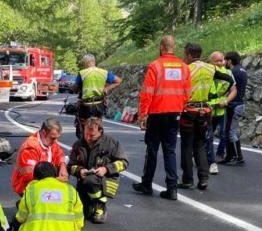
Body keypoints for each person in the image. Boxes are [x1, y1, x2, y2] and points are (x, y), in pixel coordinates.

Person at [132, 35, 191, 201]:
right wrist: (179, 107)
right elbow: (188, 93)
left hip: (157, 114)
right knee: (170, 150)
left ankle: (147, 184)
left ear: (161, 47)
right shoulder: (184, 67)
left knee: (152, 149)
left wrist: (143, 115)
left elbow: (147, 93)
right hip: (174, 115)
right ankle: (172, 189)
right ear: (174, 47)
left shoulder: (155, 66)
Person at [179, 42, 234, 191]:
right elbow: (228, 80)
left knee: (187, 146)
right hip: (205, 111)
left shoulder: (186, 69)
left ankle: (187, 179)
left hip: (189, 110)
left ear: (189, 54)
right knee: (200, 145)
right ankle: (203, 178)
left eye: (185, 54)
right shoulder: (211, 68)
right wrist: (216, 94)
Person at [15, 162, 84, 231]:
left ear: (35, 176)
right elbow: (79, 219)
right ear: (55, 174)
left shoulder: (30, 190)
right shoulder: (70, 189)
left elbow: (20, 218)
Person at [69, 117, 128, 223]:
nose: (88, 138)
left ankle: (100, 205)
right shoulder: (78, 145)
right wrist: (79, 171)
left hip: (105, 180)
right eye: (86, 134)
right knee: (82, 213)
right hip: (84, 182)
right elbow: (70, 166)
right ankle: (89, 203)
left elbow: (123, 163)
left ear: (100, 131)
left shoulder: (111, 143)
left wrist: (106, 169)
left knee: (90, 180)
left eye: (92, 135)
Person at [11, 118, 68, 196]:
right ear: (44, 133)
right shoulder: (30, 147)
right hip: (27, 187)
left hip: (45, 183)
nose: (55, 141)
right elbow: (30, 176)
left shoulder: (50, 141)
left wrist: (63, 166)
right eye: (53, 138)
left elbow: (59, 154)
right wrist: (55, 181)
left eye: (57, 138)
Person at [73, 54, 122, 137]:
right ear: (94, 62)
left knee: (83, 124)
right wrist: (107, 88)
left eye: (83, 63)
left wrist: (74, 88)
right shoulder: (104, 72)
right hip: (99, 105)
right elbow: (118, 80)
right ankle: (97, 139)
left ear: (86, 62)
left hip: (86, 105)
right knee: (97, 124)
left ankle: (84, 141)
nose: (83, 65)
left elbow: (75, 88)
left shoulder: (83, 73)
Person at [206, 51, 237, 175]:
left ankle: (215, 156)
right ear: (211, 61)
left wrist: (226, 101)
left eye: (222, 60)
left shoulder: (228, 73)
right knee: (208, 137)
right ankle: (211, 162)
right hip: (207, 110)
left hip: (221, 110)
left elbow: (234, 90)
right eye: (217, 61)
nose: (220, 63)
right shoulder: (206, 72)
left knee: (222, 134)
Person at [221, 51, 248, 165]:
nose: (224, 63)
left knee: (230, 132)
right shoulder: (243, 70)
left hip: (234, 104)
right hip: (239, 103)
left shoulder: (233, 72)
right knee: (229, 131)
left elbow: (229, 88)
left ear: (229, 61)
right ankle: (230, 156)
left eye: (225, 60)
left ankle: (238, 157)